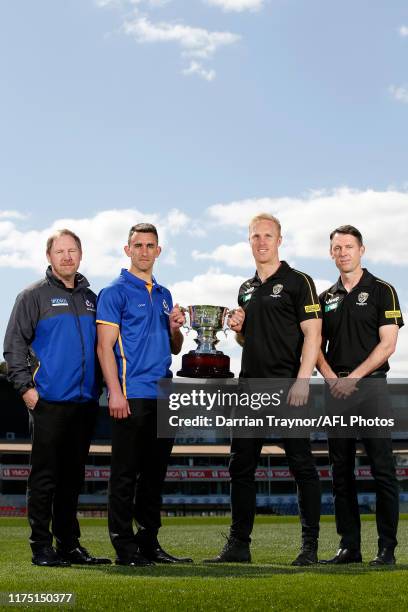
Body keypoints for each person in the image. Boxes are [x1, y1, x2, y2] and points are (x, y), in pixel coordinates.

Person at [204, 213, 322, 566]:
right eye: (255, 236)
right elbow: (246, 339)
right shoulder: (246, 288)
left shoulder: (299, 281)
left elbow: (313, 335)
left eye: (267, 236)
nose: (261, 242)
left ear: (279, 240)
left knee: (301, 465)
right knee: (240, 466)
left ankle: (309, 548)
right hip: (249, 387)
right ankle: (239, 545)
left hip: (288, 386)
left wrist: (302, 381)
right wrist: (239, 327)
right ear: (249, 241)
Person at [3, 229, 111, 567]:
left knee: (72, 478)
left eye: (73, 250)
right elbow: (14, 345)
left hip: (85, 403)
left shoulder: (92, 298)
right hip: (48, 401)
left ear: (81, 255)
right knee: (45, 477)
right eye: (60, 251)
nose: (67, 256)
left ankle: (69, 545)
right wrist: (26, 390)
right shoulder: (32, 296)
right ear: (49, 257)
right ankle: (41, 547)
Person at [96, 222, 193, 566]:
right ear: (127, 250)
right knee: (125, 474)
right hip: (131, 394)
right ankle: (124, 547)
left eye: (150, 245)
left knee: (154, 476)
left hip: (164, 393)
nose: (144, 251)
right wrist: (115, 393)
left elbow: (176, 347)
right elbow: (104, 348)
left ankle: (149, 543)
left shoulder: (165, 295)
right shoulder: (114, 292)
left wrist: (174, 329)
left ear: (158, 251)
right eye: (137, 245)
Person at [317, 225, 404, 565]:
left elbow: (388, 344)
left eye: (348, 247)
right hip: (335, 392)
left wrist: (353, 377)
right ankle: (349, 547)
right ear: (331, 254)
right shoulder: (325, 298)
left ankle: (387, 549)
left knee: (382, 469)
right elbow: (315, 344)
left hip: (371, 389)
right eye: (337, 248)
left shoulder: (383, 290)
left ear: (361, 249)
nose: (343, 253)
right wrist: (330, 378)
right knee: (341, 473)